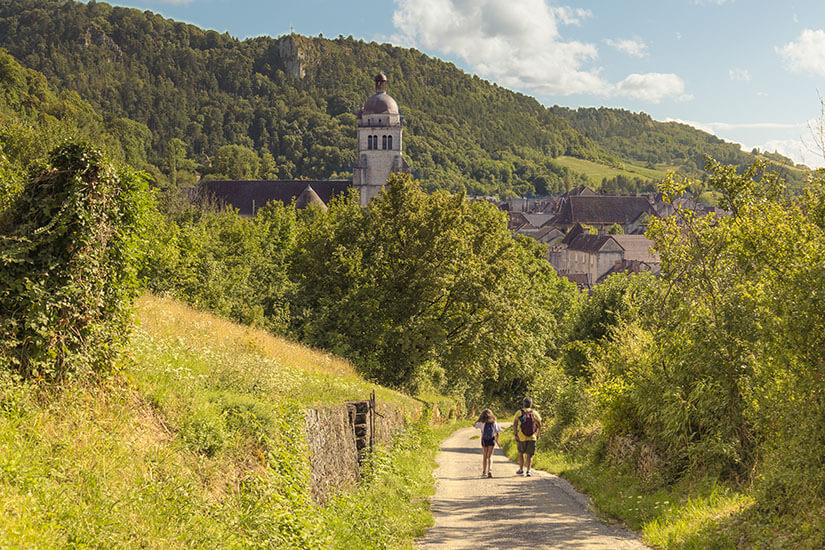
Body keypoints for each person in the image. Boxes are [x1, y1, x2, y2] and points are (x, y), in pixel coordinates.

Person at [513, 397, 542, 477]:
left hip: (521, 437)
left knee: (521, 453)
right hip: (532, 437)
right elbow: (540, 424)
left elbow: (515, 424)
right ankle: (528, 470)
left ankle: (521, 469)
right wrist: (537, 433)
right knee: (530, 454)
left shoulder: (519, 413)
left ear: (523, 404)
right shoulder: (534, 413)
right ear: (531, 404)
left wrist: (516, 434)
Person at [473, 408, 502, 478]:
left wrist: (478, 419)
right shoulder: (494, 422)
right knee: (490, 456)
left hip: (484, 440)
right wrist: (496, 440)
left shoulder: (482, 422)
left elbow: (474, 425)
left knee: (485, 456)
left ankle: (484, 472)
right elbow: (498, 432)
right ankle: (490, 470)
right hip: (491, 440)